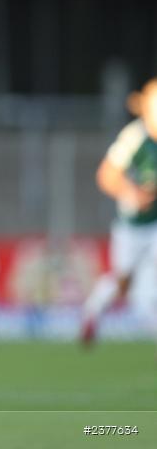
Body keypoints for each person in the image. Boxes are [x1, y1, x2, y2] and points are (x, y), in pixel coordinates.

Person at [81, 78, 157, 346]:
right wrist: (133, 194)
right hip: (133, 225)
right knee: (123, 282)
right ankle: (94, 309)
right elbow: (107, 175)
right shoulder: (135, 137)